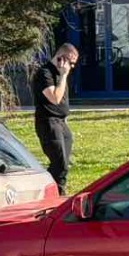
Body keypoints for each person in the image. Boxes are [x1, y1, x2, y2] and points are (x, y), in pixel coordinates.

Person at [33, 43, 78, 193]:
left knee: (64, 164)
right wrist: (64, 75)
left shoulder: (60, 75)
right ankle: (55, 193)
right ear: (61, 59)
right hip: (49, 122)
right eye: (70, 63)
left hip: (61, 123)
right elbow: (55, 98)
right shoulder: (44, 74)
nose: (71, 67)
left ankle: (54, 190)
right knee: (59, 164)